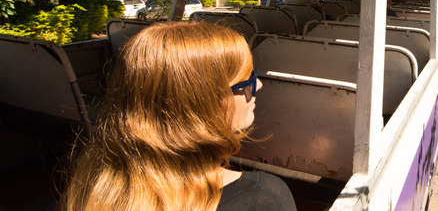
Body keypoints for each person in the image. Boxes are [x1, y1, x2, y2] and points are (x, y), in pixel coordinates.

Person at [60, 22, 296, 211]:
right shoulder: (263, 197)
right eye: (248, 80)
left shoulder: (92, 189)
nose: (260, 86)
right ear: (204, 102)